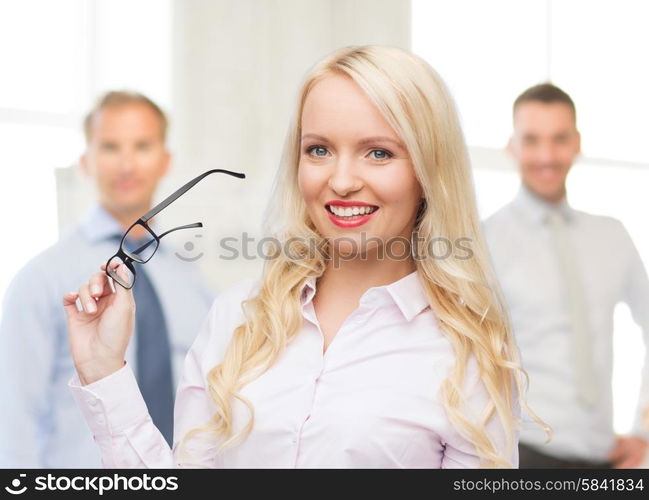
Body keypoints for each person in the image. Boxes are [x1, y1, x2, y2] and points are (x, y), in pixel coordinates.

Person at [63, 46, 545, 469]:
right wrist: (104, 370)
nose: (340, 181)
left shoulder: (467, 355)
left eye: (378, 153)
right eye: (319, 149)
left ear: (428, 169)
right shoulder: (236, 319)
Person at [0, 91, 214, 468]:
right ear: (86, 161)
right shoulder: (40, 279)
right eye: (111, 147)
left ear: (165, 161)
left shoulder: (191, 281)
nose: (127, 164)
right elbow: (15, 418)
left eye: (142, 146)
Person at [483, 83, 649, 468]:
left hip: (604, 458)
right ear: (512, 146)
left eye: (559, 139)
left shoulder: (612, 235)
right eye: (532, 140)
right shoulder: (484, 240)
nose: (546, 156)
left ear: (577, 143)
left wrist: (644, 426)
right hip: (522, 455)